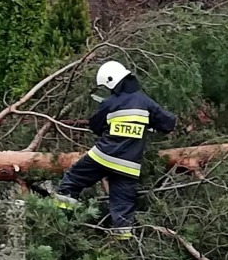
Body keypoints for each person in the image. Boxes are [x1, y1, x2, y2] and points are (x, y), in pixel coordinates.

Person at [55, 61, 177, 238]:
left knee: (72, 181)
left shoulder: (109, 103)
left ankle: (59, 223)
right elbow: (168, 123)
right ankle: (121, 248)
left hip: (103, 157)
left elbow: (95, 126)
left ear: (112, 82)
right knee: (123, 211)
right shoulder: (146, 102)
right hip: (129, 166)